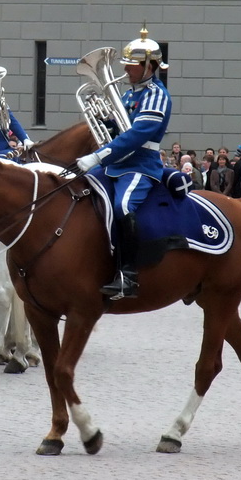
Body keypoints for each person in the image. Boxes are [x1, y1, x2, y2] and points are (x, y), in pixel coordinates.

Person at [74, 27, 171, 298]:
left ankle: (127, 275)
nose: (126, 70)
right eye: (126, 65)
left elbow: (138, 135)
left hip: (141, 165)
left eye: (132, 65)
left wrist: (98, 155)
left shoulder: (156, 95)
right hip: (116, 164)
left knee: (123, 205)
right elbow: (121, 130)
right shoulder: (129, 94)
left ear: (150, 66)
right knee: (81, 192)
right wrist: (105, 121)